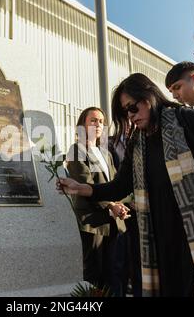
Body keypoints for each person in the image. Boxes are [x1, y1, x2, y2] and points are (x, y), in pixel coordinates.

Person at [58, 73, 194, 297]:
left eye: (132, 108)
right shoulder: (137, 143)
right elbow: (120, 186)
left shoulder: (188, 120)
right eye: (125, 112)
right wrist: (82, 188)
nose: (130, 117)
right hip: (159, 241)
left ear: (148, 96)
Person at [65, 107, 130, 296]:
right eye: (93, 120)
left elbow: (116, 184)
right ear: (82, 125)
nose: (98, 124)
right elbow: (85, 184)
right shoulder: (76, 150)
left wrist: (124, 204)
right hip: (92, 223)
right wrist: (112, 205)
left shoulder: (106, 153)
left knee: (113, 276)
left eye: (101, 121)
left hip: (113, 223)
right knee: (94, 278)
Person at [108, 99, 142, 297]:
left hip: (145, 211)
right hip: (123, 212)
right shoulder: (109, 144)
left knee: (139, 265)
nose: (130, 121)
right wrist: (127, 202)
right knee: (121, 263)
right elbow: (116, 180)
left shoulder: (145, 138)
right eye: (125, 117)